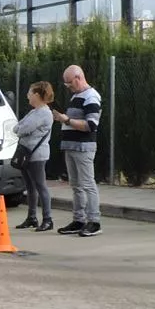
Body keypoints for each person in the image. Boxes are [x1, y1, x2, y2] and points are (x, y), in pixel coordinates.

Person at [52, 65, 103, 236]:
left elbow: (91, 125)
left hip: (83, 147)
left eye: (69, 83)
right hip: (71, 146)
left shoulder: (91, 97)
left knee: (87, 184)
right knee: (76, 186)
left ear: (78, 78)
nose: (68, 87)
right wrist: (64, 119)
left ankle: (94, 221)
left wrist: (66, 120)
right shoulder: (77, 96)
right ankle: (79, 219)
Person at [14, 81, 55, 231]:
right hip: (27, 154)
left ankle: (48, 219)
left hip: (37, 155)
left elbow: (23, 128)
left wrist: (20, 129)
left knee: (40, 186)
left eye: (30, 93)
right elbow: (18, 127)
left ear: (37, 95)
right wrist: (20, 128)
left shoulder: (44, 113)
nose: (28, 96)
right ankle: (32, 217)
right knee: (30, 187)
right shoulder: (34, 111)